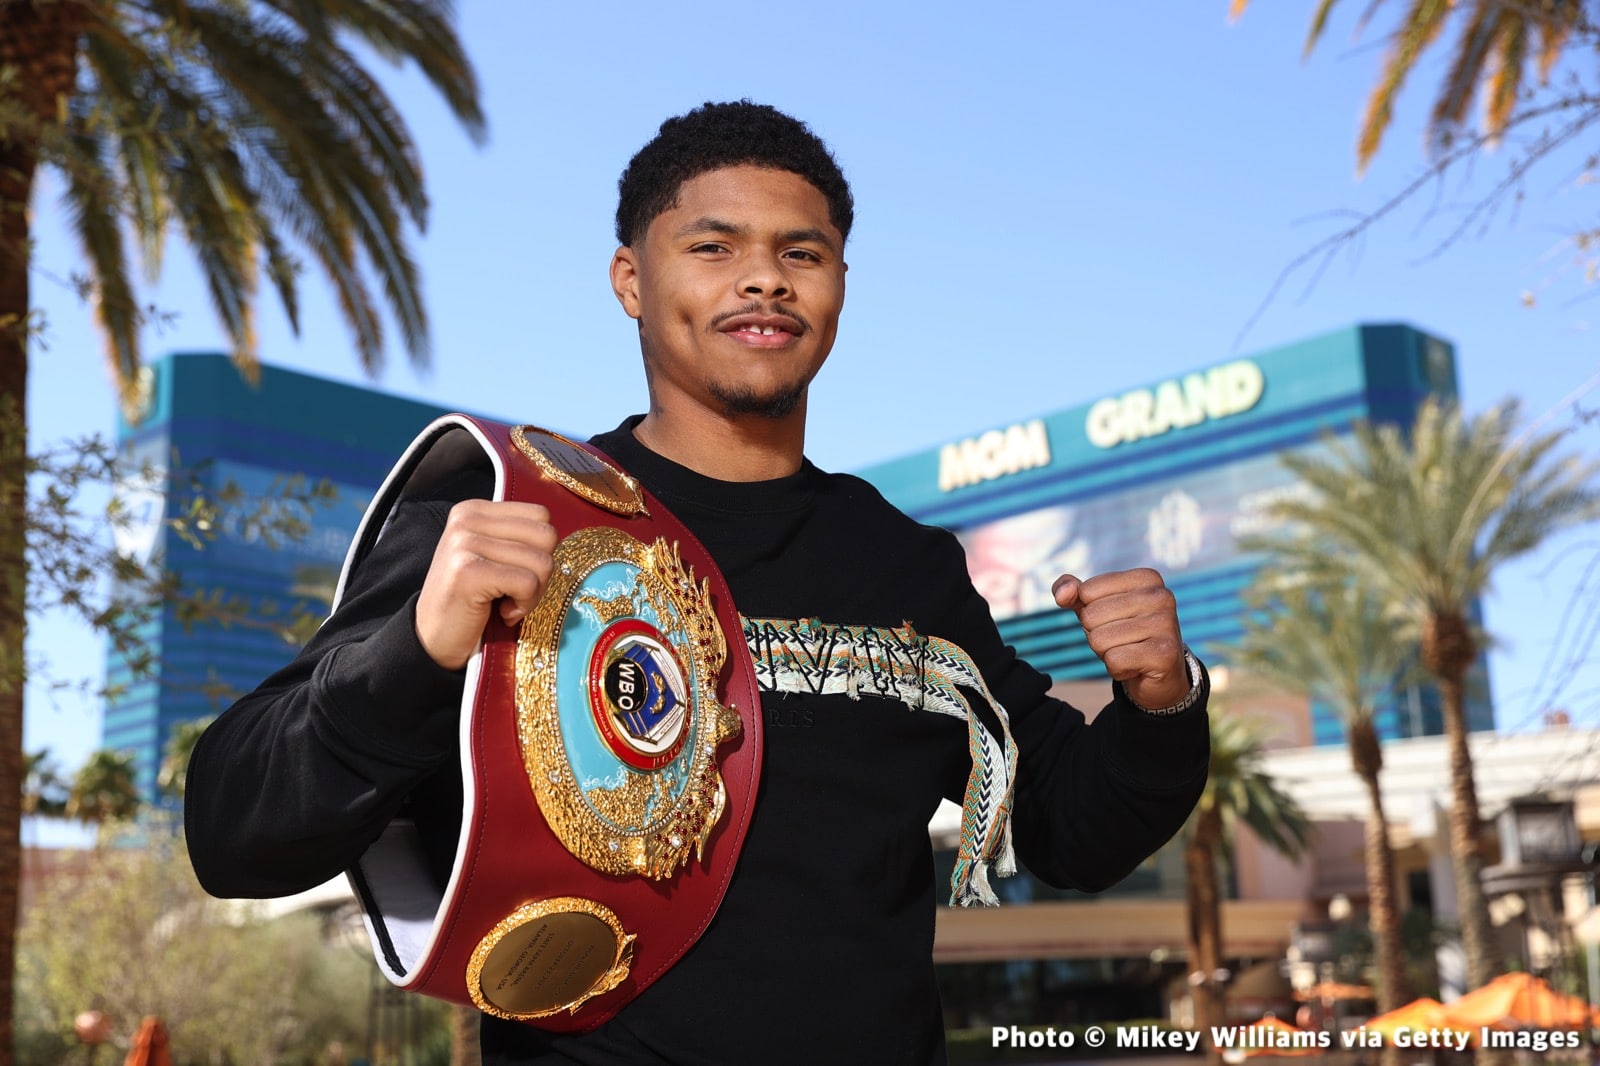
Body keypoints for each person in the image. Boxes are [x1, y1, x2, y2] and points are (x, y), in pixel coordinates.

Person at [186, 100, 1210, 1065]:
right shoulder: (512, 518)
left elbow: (1064, 824)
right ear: (631, 280)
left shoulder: (904, 564)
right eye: (713, 247)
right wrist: (417, 648)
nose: (762, 280)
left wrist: (1160, 700)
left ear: (840, 283)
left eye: (799, 254)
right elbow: (237, 834)